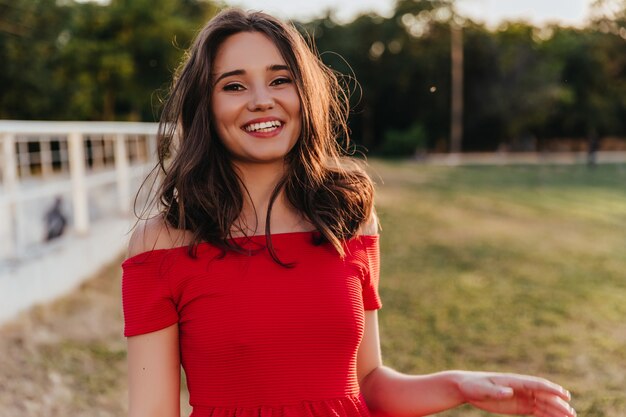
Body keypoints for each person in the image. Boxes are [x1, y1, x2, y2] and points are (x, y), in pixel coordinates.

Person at [122, 8, 576, 417]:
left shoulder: (345, 217)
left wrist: (462, 386)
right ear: (206, 105)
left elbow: (369, 383)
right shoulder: (163, 244)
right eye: (234, 85)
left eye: (281, 79)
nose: (262, 99)